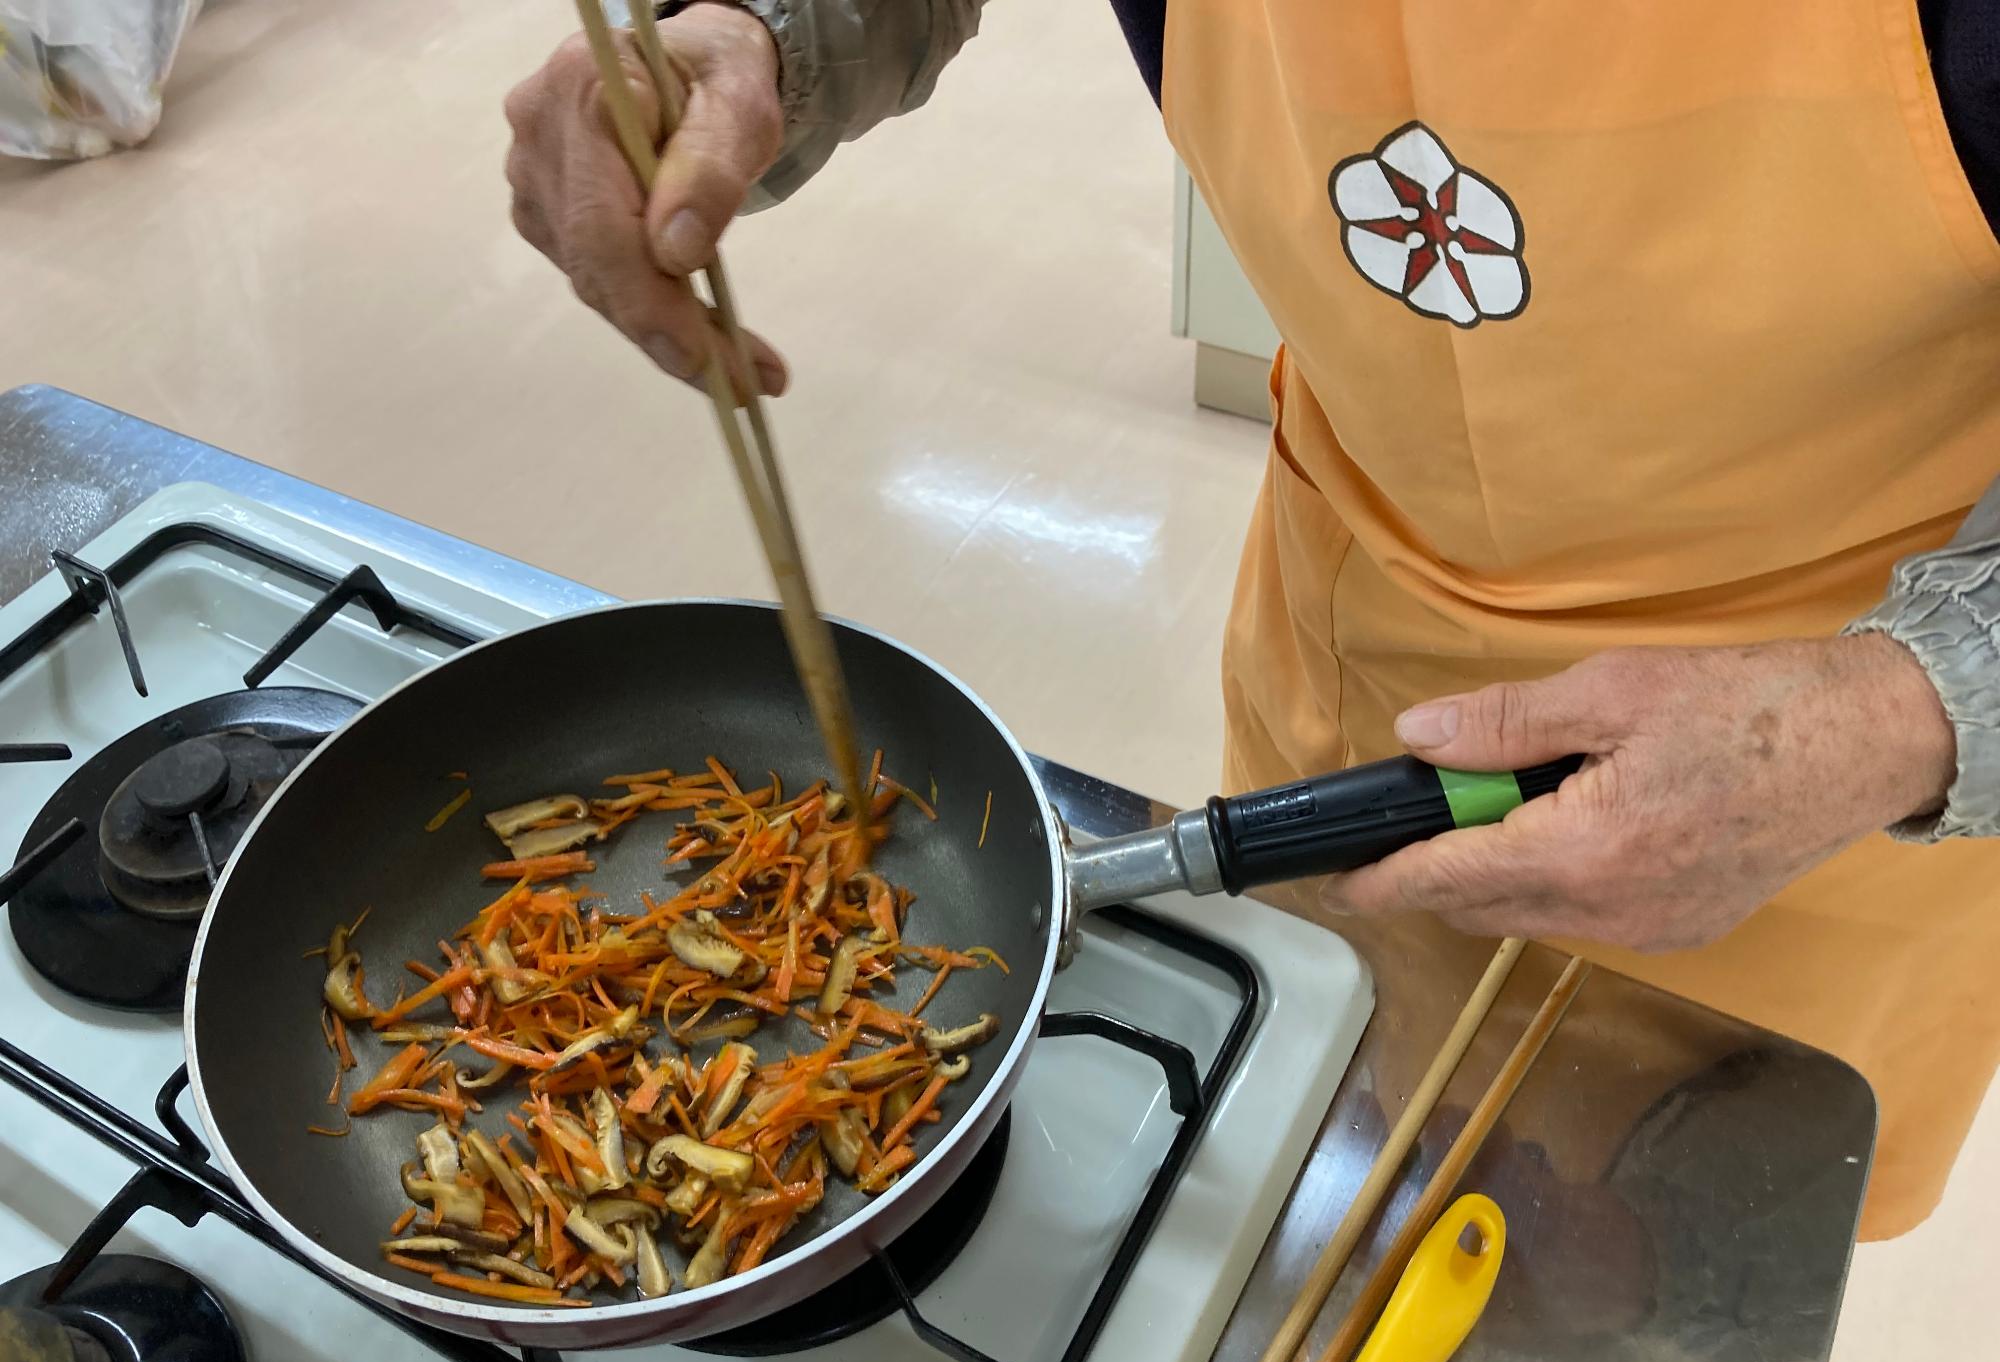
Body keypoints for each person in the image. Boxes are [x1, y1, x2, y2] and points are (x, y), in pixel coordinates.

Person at [503, 0, 2000, 1241]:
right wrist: (770, 37)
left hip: (1813, 771)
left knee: (1648, 1297)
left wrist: (1888, 712)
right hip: (1356, 653)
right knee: (1324, 1166)